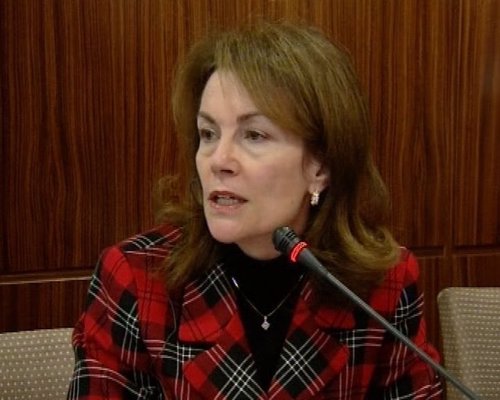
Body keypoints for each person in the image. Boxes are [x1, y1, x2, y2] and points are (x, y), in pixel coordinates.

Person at [67, 20, 443, 399]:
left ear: (321, 166)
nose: (219, 160)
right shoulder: (135, 278)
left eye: (254, 135)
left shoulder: (383, 285)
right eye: (208, 134)